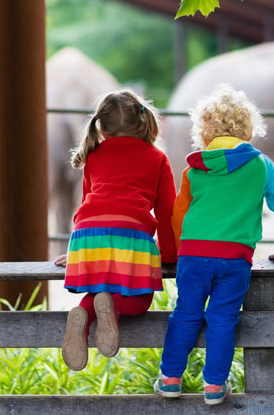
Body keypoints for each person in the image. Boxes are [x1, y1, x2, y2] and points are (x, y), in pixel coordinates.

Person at [153, 84, 274, 405]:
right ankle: (214, 386)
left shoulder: (195, 168)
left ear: (204, 132)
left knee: (186, 314)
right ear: (248, 128)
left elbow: (179, 213)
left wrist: (176, 253)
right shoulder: (260, 164)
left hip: (192, 255)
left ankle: (170, 379)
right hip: (235, 258)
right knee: (223, 319)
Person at [54, 89, 177, 371]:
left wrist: (76, 253)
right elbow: (167, 212)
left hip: (86, 237)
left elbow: (88, 206)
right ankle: (114, 306)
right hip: (131, 234)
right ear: (143, 122)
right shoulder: (157, 158)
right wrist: (169, 255)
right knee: (139, 301)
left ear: (102, 127)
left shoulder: (93, 156)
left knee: (99, 290)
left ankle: (83, 314)